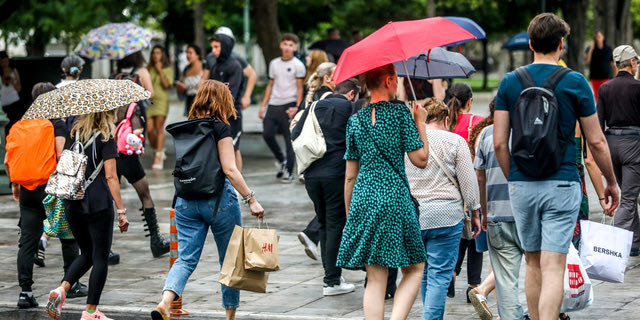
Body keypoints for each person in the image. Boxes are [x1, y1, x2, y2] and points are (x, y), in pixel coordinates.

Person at [494, 13, 619, 320]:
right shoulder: (575, 82)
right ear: (561, 44)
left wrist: (515, 179)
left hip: (522, 185)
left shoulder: (510, 82)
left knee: (533, 263)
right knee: (554, 265)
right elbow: (597, 141)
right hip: (562, 184)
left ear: (531, 43)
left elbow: (499, 143)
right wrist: (611, 182)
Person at [151, 80, 264, 320]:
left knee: (186, 258)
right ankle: (230, 317)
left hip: (185, 199)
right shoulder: (221, 128)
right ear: (223, 101)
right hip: (219, 201)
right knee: (230, 260)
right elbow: (230, 170)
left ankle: (164, 302)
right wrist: (251, 199)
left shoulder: (184, 128)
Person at [337, 64, 430, 319]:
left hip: (364, 199)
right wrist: (420, 122)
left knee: (376, 278)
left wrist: (350, 217)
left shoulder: (355, 121)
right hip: (395, 198)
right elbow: (421, 159)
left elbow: (349, 176)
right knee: (414, 268)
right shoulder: (400, 115)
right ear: (389, 81)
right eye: (396, 79)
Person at [5, 83, 86, 309]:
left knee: (27, 242)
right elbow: (60, 155)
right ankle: (72, 284)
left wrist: (15, 185)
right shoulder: (55, 123)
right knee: (67, 236)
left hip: (27, 191)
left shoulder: (21, 124)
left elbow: (8, 159)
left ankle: (25, 292)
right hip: (50, 190)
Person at [46, 109, 129, 320]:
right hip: (98, 203)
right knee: (100, 256)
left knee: (86, 253)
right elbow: (111, 177)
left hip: (72, 202)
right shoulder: (106, 137)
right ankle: (91, 311)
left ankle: (62, 289)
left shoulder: (74, 133)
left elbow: (64, 165)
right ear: (107, 114)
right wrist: (121, 210)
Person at [404, 98, 481, 319]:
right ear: (446, 119)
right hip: (447, 216)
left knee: (422, 272)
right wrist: (474, 212)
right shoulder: (455, 141)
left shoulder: (407, 141)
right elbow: (468, 182)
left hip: (414, 215)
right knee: (440, 275)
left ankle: (430, 314)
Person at [291, 78, 360, 295]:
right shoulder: (349, 108)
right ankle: (332, 281)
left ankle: (330, 277)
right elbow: (358, 139)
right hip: (337, 174)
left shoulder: (313, 106)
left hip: (312, 174)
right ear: (351, 94)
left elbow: (295, 134)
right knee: (334, 224)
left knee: (323, 223)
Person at [470, 98, 526, 320]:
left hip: (496, 217)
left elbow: (480, 177)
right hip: (526, 215)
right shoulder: (528, 134)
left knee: (505, 281)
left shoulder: (486, 135)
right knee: (536, 272)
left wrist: (483, 211)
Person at [35, 54, 87, 269]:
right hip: (72, 148)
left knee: (56, 203)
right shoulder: (83, 91)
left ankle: (43, 238)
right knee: (70, 204)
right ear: (80, 70)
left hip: (54, 149)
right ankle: (78, 250)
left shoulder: (54, 89)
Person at [596, 44, 640, 256]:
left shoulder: (604, 88)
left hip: (611, 146)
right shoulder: (638, 88)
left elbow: (599, 124)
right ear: (632, 63)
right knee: (629, 199)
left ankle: (635, 243)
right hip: (633, 145)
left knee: (629, 193)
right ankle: (615, 249)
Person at [114, 101, 170, 258]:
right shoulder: (133, 106)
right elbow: (137, 129)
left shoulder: (110, 105)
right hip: (128, 158)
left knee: (108, 199)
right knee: (145, 195)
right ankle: (156, 241)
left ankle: (104, 248)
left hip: (111, 156)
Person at [447, 82, 485, 300]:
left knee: (460, 237)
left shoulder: (443, 124)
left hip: (450, 189)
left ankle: (452, 273)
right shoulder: (476, 123)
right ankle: (473, 285)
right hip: (472, 186)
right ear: (469, 102)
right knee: (476, 238)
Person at [296, 62, 337, 260]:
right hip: (328, 165)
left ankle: (312, 235)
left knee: (326, 217)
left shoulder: (312, 98)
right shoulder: (332, 101)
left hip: (312, 166)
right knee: (332, 217)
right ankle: (333, 275)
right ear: (327, 78)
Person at [259, 33, 306, 182]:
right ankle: (282, 161)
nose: (287, 47)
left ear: (295, 47)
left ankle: (289, 172)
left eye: (291, 45)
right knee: (267, 134)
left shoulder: (298, 65)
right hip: (273, 104)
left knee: (289, 140)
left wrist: (297, 107)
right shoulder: (274, 63)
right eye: (285, 44)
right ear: (281, 45)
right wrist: (263, 106)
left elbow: (300, 88)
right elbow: (270, 85)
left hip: (289, 104)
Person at [207, 33, 246, 171]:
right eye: (212, 47)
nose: (213, 51)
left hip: (232, 115)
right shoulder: (216, 66)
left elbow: (232, 94)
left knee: (234, 147)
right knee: (220, 148)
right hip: (217, 115)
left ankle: (237, 183)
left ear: (225, 46)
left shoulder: (235, 66)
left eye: (217, 47)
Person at [203, 26, 257, 111]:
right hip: (214, 105)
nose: (214, 50)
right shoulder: (211, 57)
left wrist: (247, 97)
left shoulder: (236, 60)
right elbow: (204, 78)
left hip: (232, 107)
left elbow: (252, 75)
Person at [147, 45, 174, 170]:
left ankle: (158, 156)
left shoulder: (167, 69)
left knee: (159, 128)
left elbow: (167, 85)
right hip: (150, 102)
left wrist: (160, 71)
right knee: (149, 129)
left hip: (162, 101)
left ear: (162, 55)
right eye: (154, 53)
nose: (155, 55)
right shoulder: (148, 69)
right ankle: (157, 149)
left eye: (158, 53)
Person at [584, 31, 615, 101]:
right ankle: (599, 110)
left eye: (599, 36)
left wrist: (616, 74)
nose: (598, 38)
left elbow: (613, 62)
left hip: (605, 76)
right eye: (596, 37)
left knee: (605, 95)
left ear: (603, 37)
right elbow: (587, 60)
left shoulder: (608, 49)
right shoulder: (591, 49)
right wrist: (591, 49)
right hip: (595, 77)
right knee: (597, 96)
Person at [176, 44, 204, 116]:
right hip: (189, 102)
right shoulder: (186, 69)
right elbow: (181, 89)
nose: (187, 55)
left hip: (202, 102)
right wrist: (180, 87)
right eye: (186, 53)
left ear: (197, 55)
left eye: (190, 53)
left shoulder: (205, 67)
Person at [0, 51, 22, 136]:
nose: (5, 64)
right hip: (3, 104)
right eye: (2, 62)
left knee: (15, 124)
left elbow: (19, 88)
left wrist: (12, 81)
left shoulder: (14, 71)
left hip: (14, 101)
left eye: (6, 61)